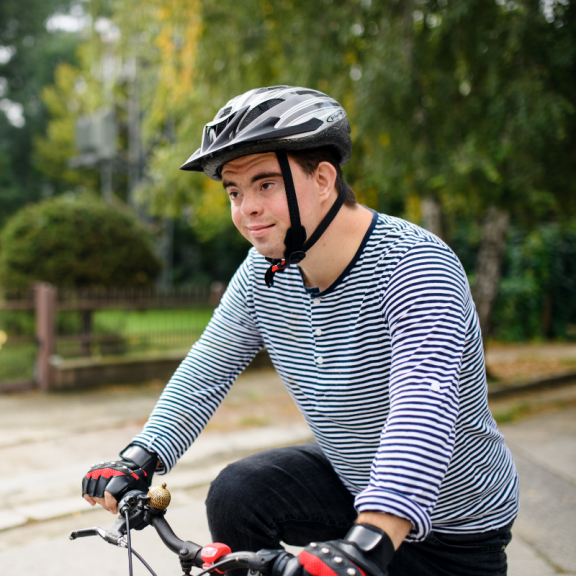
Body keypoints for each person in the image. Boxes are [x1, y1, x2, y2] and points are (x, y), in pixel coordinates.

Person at [82, 86, 519, 576]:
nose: (246, 208)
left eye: (265, 184)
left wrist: (368, 542)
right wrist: (140, 457)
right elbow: (206, 371)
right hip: (356, 490)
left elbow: (422, 408)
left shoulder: (415, 265)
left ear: (324, 179)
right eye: (234, 191)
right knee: (239, 493)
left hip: (454, 527)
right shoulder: (262, 273)